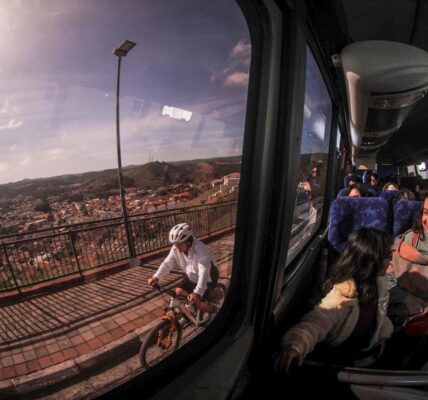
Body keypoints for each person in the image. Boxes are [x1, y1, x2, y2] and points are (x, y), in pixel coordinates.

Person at [275, 228, 393, 373]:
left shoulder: (378, 284)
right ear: (372, 260)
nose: (391, 260)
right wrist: (296, 345)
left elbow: (379, 314)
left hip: (368, 354)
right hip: (343, 364)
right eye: (388, 256)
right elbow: (316, 322)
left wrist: (384, 334)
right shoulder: (343, 295)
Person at [148, 222, 219, 313]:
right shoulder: (176, 248)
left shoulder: (201, 249)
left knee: (197, 302)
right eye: (175, 244)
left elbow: (203, 271)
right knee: (177, 294)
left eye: (179, 244)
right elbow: (167, 263)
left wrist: (197, 292)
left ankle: (215, 310)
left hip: (208, 277)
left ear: (188, 241)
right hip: (192, 276)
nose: (176, 247)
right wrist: (156, 277)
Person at [388, 193, 428, 326]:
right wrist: (406, 298)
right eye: (426, 213)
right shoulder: (408, 242)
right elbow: (385, 279)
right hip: (407, 315)